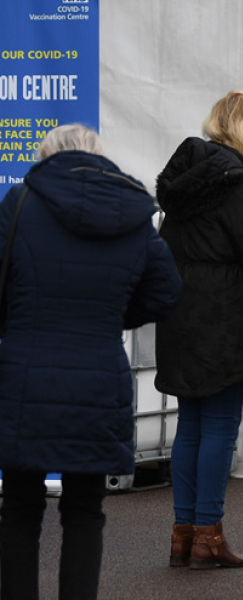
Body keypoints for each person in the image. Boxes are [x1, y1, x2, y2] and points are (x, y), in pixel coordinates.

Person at [0, 125, 182, 600]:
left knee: (20, 508)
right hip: (99, 376)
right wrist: (114, 314)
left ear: (46, 157)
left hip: (25, 375)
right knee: (85, 510)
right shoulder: (132, 213)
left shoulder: (20, 204)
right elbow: (167, 293)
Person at [155, 90, 243, 569]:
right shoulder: (238, 182)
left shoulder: (183, 184)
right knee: (220, 428)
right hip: (226, 316)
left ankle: (182, 534)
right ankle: (209, 534)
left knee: (190, 425)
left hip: (180, 313)